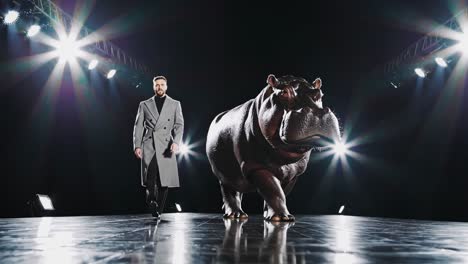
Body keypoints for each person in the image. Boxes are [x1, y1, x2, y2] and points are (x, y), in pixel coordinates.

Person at [133, 76, 184, 218]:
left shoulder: (175, 104)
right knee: (151, 175)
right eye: (157, 85)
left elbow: (179, 125)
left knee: (164, 180)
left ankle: (158, 210)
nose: (159, 87)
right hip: (149, 143)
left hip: (167, 144)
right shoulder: (144, 104)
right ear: (153, 87)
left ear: (166, 86)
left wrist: (176, 142)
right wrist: (137, 145)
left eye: (162, 85)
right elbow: (138, 126)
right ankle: (151, 201)